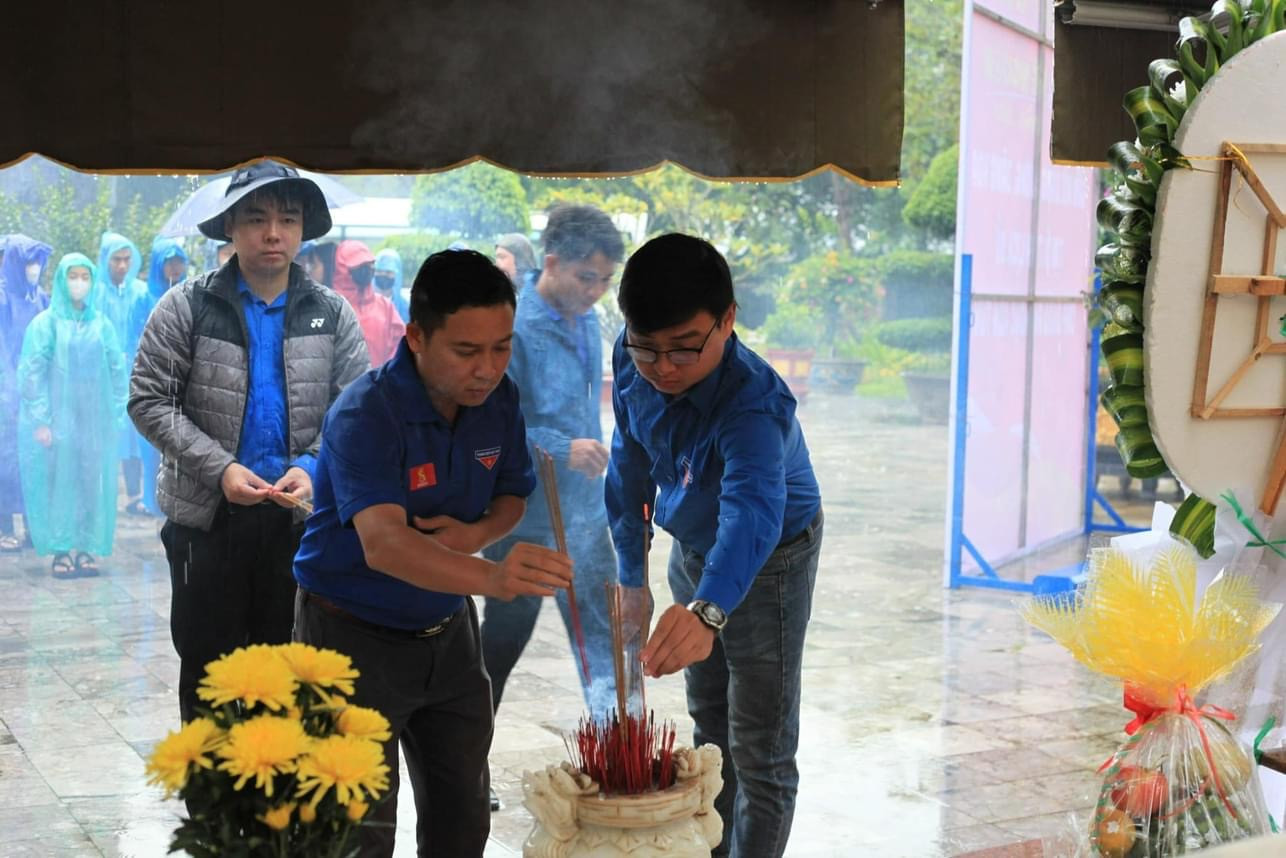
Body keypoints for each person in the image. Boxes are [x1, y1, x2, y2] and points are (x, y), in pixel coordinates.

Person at [292, 248, 574, 857]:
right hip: (349, 636)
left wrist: (473, 536)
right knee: (353, 834)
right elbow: (385, 545)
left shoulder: (498, 400)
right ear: (416, 336)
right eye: (466, 351)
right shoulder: (366, 413)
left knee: (462, 818)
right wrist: (490, 576)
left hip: (447, 633)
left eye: (501, 348)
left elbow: (511, 494)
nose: (487, 369)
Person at [604, 233, 823, 858]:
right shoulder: (633, 355)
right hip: (695, 541)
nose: (663, 368)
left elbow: (753, 514)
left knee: (761, 749)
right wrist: (631, 575)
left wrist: (706, 612)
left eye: (684, 348)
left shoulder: (754, 403)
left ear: (727, 320)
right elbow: (628, 461)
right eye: (646, 348)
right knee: (709, 729)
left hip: (771, 556)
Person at [129, 161, 369, 722]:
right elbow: (148, 400)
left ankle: (274, 780)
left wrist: (312, 465)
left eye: (288, 219)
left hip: (298, 523)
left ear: (304, 230)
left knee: (286, 680)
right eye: (257, 219)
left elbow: (356, 411)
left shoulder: (332, 314)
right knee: (209, 680)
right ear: (230, 227)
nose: (273, 233)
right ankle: (213, 783)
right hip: (206, 522)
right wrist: (220, 469)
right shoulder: (186, 307)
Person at [481, 205, 624, 725]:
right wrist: (562, 448)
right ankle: (465, 757)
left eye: (605, 280)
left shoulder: (586, 323)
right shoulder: (514, 329)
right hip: (525, 517)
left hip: (585, 511)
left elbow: (585, 410)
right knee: (502, 643)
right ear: (552, 262)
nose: (595, 291)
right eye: (586, 277)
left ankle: (614, 752)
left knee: (606, 644)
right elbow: (492, 426)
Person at [19, 253, 128, 578]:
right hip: (59, 420)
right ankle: (61, 549)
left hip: (94, 420)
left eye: (85, 276)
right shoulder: (45, 324)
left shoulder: (101, 324)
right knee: (60, 484)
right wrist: (41, 420)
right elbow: (32, 374)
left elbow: (117, 370)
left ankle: (86, 546)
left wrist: (117, 414)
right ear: (61, 280)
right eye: (72, 276)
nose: (79, 283)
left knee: (90, 482)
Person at [0, 234, 52, 551]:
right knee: (5, 460)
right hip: (7, 393)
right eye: (28, 262)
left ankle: (35, 527)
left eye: (37, 262)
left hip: (36, 392)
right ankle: (4, 526)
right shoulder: (3, 298)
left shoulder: (40, 297)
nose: (34, 268)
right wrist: (9, 392)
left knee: (35, 460)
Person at [130, 236, 189, 517]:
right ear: (158, 265)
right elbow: (134, 340)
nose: (175, 268)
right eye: (169, 263)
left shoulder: (191, 294)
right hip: (153, 380)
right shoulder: (145, 298)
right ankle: (154, 506)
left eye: (179, 262)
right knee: (153, 447)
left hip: (183, 381)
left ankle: (177, 508)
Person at [94, 232, 150, 515]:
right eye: (116, 259)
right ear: (105, 260)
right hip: (101, 374)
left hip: (134, 371)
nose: (122, 265)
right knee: (103, 431)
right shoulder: (95, 292)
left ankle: (134, 495)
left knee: (134, 434)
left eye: (127, 259)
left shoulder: (139, 291)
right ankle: (100, 494)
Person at [331, 239, 404, 366]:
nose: (367, 269)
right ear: (342, 269)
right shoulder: (330, 307)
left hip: (379, 378)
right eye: (360, 265)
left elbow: (401, 346)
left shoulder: (385, 307)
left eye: (370, 264)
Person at [374, 247, 410, 322]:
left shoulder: (405, 307)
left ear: (397, 275)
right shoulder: (363, 303)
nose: (383, 275)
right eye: (379, 271)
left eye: (388, 272)